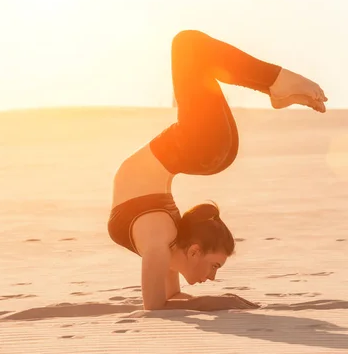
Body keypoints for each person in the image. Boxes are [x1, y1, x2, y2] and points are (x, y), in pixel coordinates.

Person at [108, 30, 327, 311]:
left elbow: (159, 304)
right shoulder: (165, 240)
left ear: (194, 251)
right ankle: (276, 85)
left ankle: (276, 85)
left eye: (214, 267)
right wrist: (223, 302)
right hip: (203, 149)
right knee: (192, 51)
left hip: (202, 149)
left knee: (191, 49)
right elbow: (164, 304)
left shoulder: (160, 240)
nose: (212, 276)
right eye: (215, 267)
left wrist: (223, 303)